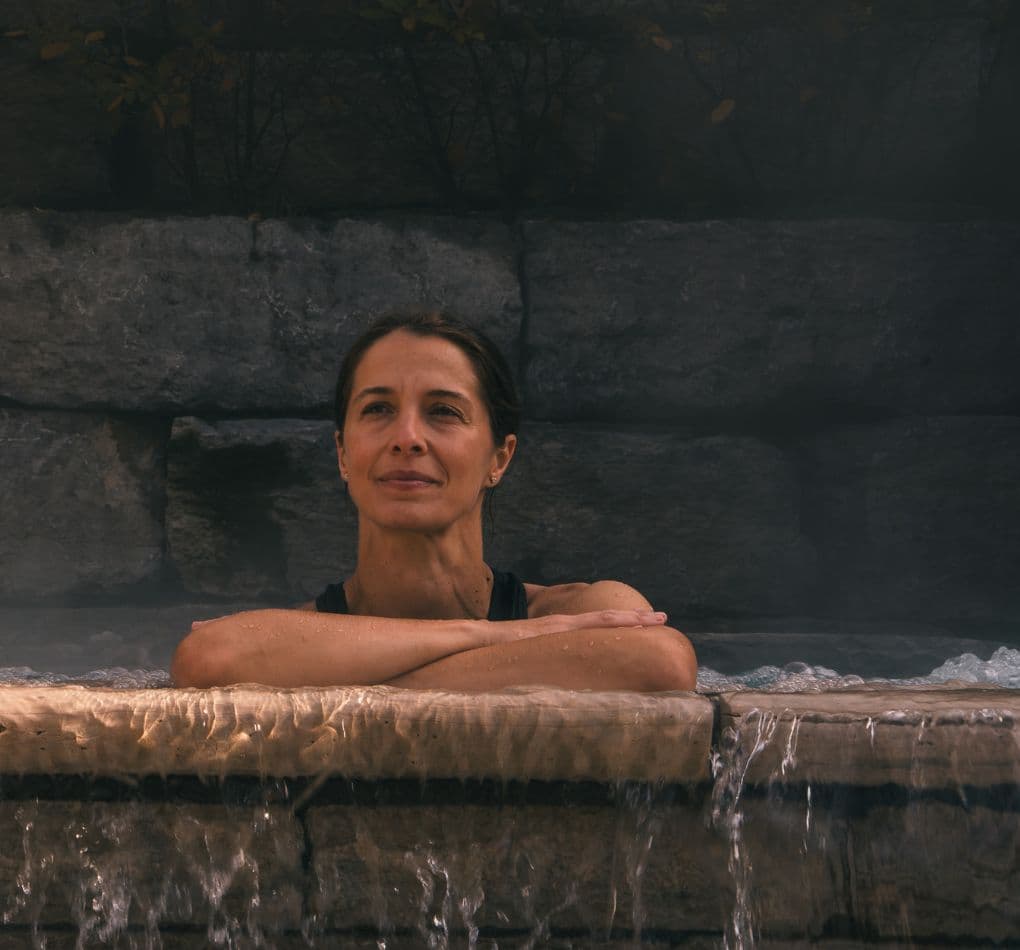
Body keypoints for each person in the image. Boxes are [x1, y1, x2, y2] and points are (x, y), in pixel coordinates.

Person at [171, 312, 697, 691]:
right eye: (378, 409)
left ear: (500, 457)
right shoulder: (553, 631)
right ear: (343, 454)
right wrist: (505, 637)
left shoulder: (578, 610)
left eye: (443, 411)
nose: (407, 437)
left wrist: (360, 679)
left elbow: (661, 660)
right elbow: (207, 657)